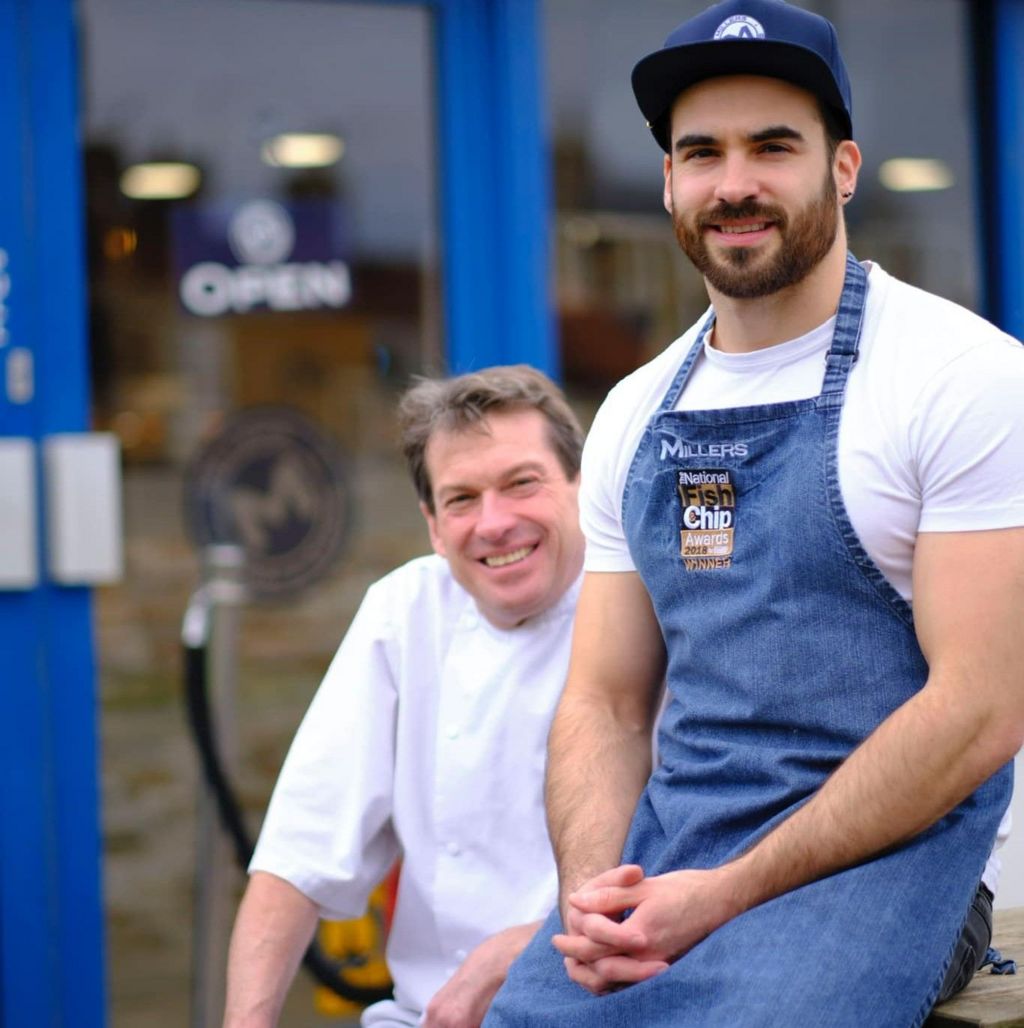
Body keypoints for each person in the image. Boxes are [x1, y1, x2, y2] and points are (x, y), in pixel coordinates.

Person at [484, 2, 1024, 1025]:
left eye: (772, 146)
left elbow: (980, 710)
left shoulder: (961, 376)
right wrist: (595, 896)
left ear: (844, 166)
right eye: (702, 153)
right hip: (668, 871)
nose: (733, 184)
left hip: (883, 877)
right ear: (669, 182)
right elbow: (603, 702)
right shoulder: (637, 410)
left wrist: (724, 894)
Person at [223, 365, 587, 1028]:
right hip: (430, 1014)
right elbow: (297, 856)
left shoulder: (641, 608)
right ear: (432, 525)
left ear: (580, 486)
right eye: (461, 499)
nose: (495, 522)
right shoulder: (405, 610)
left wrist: (520, 950)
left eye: (521, 483)